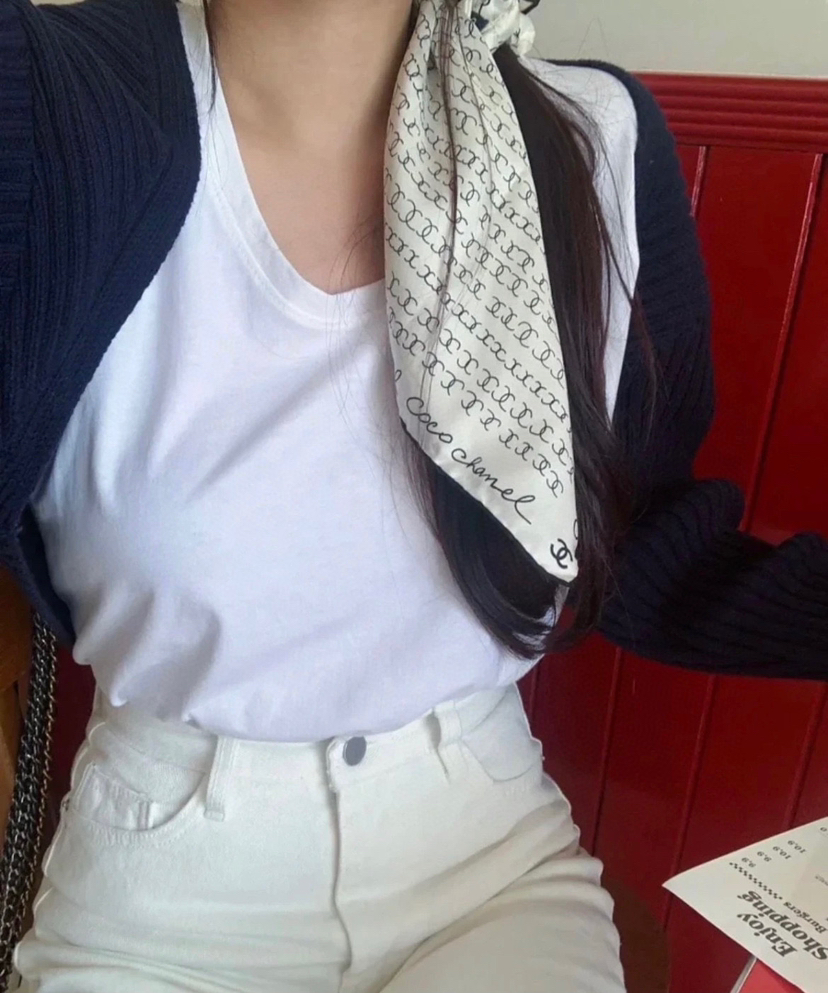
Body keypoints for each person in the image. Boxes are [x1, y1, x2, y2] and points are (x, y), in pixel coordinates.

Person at [1, 0, 826, 989]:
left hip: (484, 865)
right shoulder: (44, 106)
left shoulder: (592, 142)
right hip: (157, 888)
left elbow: (640, 536)